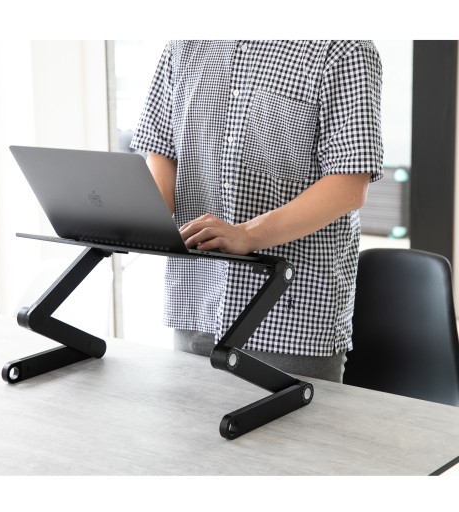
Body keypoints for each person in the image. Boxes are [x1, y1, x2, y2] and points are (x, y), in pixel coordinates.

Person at [131, 40, 383, 383]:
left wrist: (247, 234)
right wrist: (136, 218)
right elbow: (162, 152)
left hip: (291, 315)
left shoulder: (344, 48)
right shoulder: (184, 43)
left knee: (297, 421)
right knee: (188, 419)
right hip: (196, 297)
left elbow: (349, 185)